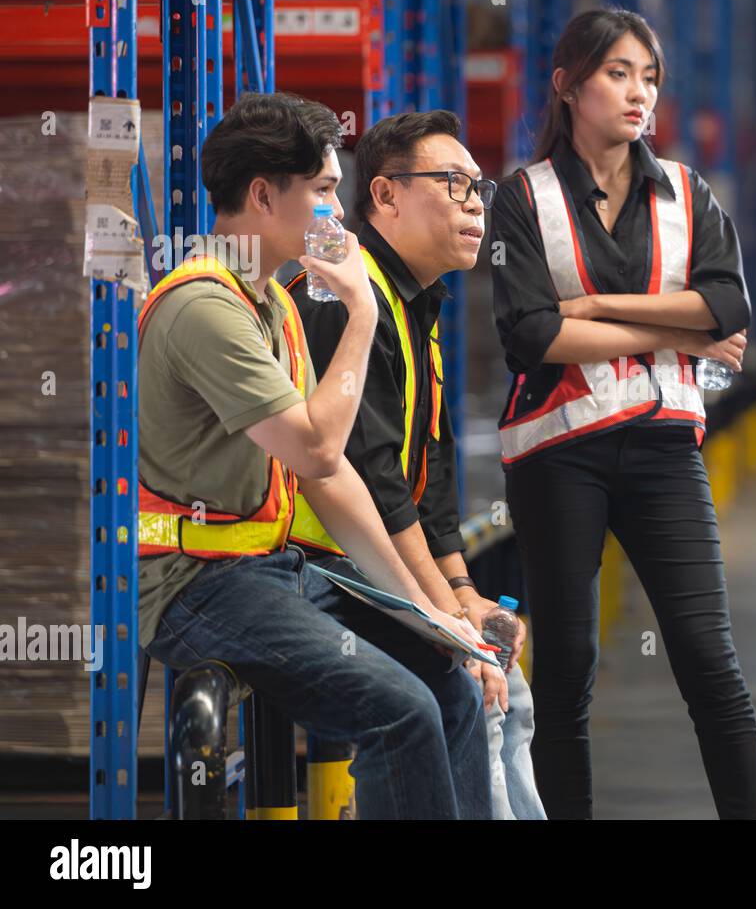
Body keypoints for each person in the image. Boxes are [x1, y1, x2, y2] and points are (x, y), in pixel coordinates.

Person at [137, 92, 491, 819]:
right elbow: (320, 443)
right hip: (193, 586)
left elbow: (327, 478)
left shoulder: (266, 301)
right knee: (400, 710)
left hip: (270, 573)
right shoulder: (205, 308)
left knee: (447, 683)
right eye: (325, 192)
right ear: (265, 196)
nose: (337, 213)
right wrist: (361, 310)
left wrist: (429, 612)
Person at [485, 8, 756, 818]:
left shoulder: (684, 190)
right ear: (567, 85)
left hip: (663, 451)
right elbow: (533, 335)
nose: (639, 92)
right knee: (568, 670)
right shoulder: (521, 198)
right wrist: (673, 327)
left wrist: (599, 304)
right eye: (618, 73)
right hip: (557, 455)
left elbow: (727, 304)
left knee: (710, 661)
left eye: (650, 76)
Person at [286, 110, 546, 820]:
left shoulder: (415, 310)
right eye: (453, 182)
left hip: (362, 568)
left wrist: (465, 598)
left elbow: (428, 480)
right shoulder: (343, 296)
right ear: (386, 195)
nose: (473, 202)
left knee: (503, 688)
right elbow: (374, 482)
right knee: (452, 691)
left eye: (478, 186)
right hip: (313, 567)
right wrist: (442, 621)